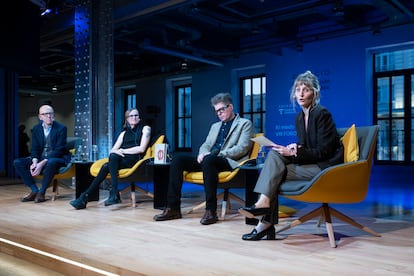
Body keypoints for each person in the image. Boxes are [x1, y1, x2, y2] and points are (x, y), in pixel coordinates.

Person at [238, 70, 344, 240]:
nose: (301, 94)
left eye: (306, 89)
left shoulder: (322, 114)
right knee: (275, 155)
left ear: (315, 93)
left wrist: (296, 152)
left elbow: (324, 152)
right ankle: (264, 209)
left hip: (326, 167)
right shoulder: (299, 117)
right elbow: (308, 147)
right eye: (298, 90)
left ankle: (264, 220)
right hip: (311, 163)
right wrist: (295, 148)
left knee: (275, 172)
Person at [153, 92, 253, 225]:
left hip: (229, 160)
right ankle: (173, 208)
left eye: (222, 109)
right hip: (209, 160)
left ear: (231, 107)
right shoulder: (215, 126)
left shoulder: (244, 124)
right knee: (177, 160)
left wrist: (215, 155)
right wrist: (202, 153)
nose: (219, 113)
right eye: (216, 111)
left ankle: (211, 211)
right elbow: (206, 144)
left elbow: (243, 148)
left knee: (209, 160)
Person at [70, 108, 151, 209]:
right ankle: (87, 197)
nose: (134, 118)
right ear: (127, 119)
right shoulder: (123, 133)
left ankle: (107, 193)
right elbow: (112, 150)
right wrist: (118, 151)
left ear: (139, 118)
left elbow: (141, 149)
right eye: (131, 116)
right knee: (107, 165)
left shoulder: (145, 128)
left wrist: (123, 151)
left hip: (135, 160)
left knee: (108, 163)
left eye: (136, 115)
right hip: (121, 160)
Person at [13, 104, 71, 203]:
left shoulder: (61, 128)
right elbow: (35, 147)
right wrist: (35, 161)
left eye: (51, 113)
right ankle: (34, 190)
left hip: (58, 157)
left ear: (54, 115)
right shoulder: (36, 129)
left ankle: (42, 192)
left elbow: (59, 149)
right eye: (45, 114)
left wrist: (42, 163)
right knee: (18, 162)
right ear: (40, 117)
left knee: (51, 162)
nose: (48, 116)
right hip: (40, 157)